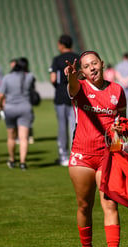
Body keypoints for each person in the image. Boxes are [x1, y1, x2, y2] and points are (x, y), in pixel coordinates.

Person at [65, 51, 128, 247]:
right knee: (84, 205)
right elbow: (72, 87)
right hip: (82, 156)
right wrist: (72, 76)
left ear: (102, 64)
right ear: (82, 71)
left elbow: (123, 118)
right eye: (86, 66)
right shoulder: (80, 87)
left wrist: (122, 130)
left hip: (107, 155)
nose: (92, 68)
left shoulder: (117, 90)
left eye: (94, 63)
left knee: (110, 204)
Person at [0, 57, 34, 170]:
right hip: (25, 108)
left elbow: (0, 94)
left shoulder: (7, 78)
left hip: (10, 108)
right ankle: (23, 162)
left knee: (11, 137)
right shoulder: (29, 77)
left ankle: (12, 159)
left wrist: (0, 105)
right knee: (23, 138)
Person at [49, 34, 79, 166]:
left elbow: (53, 79)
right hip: (76, 97)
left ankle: (64, 156)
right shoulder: (78, 58)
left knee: (62, 127)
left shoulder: (57, 59)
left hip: (61, 96)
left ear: (61, 45)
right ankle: (76, 155)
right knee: (75, 126)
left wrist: (59, 87)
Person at [115, 52, 128, 119]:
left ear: (123, 57)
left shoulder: (119, 65)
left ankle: (119, 114)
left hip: (121, 84)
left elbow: (117, 74)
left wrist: (122, 81)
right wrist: (126, 80)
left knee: (119, 100)